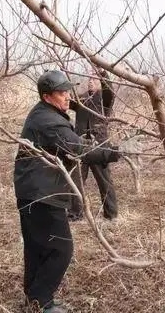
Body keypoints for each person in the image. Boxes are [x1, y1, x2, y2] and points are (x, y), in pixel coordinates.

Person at [13, 70, 122, 313]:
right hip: (43, 194)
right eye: (61, 92)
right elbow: (78, 149)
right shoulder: (49, 121)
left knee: (37, 247)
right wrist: (117, 151)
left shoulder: (44, 112)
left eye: (67, 90)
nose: (66, 96)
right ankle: (41, 302)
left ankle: (33, 298)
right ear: (47, 96)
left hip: (33, 190)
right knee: (62, 250)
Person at [67, 69, 117, 221]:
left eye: (94, 80)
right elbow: (67, 100)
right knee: (76, 181)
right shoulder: (81, 99)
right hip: (80, 145)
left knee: (104, 182)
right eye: (89, 79)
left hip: (99, 147)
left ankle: (111, 215)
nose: (90, 81)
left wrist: (102, 73)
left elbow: (109, 90)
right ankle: (75, 214)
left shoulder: (105, 100)